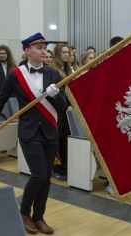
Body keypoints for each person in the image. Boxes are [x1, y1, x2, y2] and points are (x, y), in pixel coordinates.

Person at [0, 33, 68, 234]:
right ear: (27, 51)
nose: (44, 50)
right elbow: (1, 100)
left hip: (50, 131)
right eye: (39, 47)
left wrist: (56, 95)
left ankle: (39, 217)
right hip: (29, 132)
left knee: (46, 177)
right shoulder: (15, 74)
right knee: (38, 175)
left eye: (45, 47)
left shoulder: (54, 74)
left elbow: (63, 107)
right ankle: (23, 213)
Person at [51, 43, 72, 181]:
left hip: (68, 109)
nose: (66, 55)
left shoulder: (68, 70)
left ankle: (65, 166)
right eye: (64, 52)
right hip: (58, 110)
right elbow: (55, 93)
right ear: (58, 53)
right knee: (57, 140)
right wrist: (65, 105)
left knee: (66, 139)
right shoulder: (53, 71)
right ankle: (56, 168)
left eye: (68, 52)